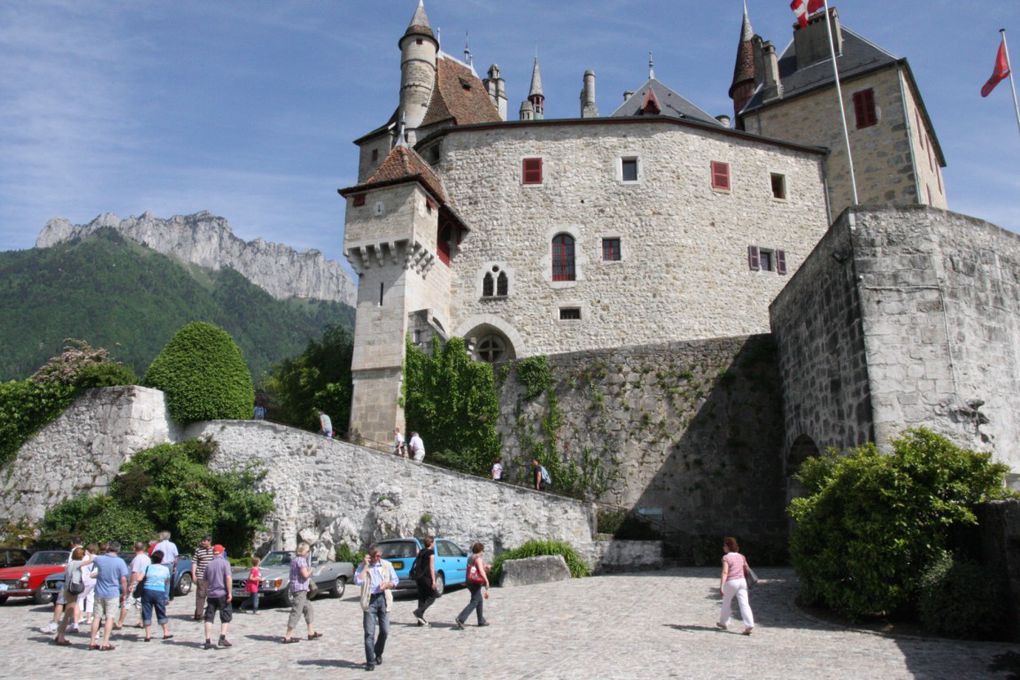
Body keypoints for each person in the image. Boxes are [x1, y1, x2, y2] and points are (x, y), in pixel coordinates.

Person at [354, 546, 399, 671]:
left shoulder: (386, 565)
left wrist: (387, 584)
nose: (377, 558)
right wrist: (365, 566)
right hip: (370, 601)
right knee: (369, 633)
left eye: (379, 556)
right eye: (374, 556)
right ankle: (370, 661)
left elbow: (395, 580)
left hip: (383, 599)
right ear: (370, 556)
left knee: (385, 631)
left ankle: (377, 652)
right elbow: (357, 581)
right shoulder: (362, 566)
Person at [89, 541, 129, 651]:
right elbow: (123, 579)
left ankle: (92, 641)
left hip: (99, 592)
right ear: (118, 550)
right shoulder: (120, 562)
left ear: (108, 548)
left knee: (96, 617)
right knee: (110, 618)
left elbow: (91, 557)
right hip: (112, 592)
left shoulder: (100, 559)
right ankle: (105, 642)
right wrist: (125, 593)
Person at [283, 543, 321, 643]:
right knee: (296, 611)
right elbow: (305, 575)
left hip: (299, 589)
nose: (308, 553)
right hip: (300, 589)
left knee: (308, 609)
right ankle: (288, 636)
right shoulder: (301, 561)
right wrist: (311, 570)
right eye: (308, 551)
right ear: (304, 551)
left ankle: (311, 633)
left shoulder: (295, 559)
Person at [717, 536, 754, 635]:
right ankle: (749, 624)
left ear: (728, 547)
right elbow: (746, 568)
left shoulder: (726, 557)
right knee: (744, 604)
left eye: (724, 545)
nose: (723, 547)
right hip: (742, 581)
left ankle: (723, 622)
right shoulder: (741, 556)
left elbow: (725, 572)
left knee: (726, 602)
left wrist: (721, 586)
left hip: (731, 582)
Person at [44, 536, 82, 634]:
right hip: (80, 582)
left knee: (60, 602)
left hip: (70, 582)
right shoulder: (85, 552)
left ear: (72, 542)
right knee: (75, 603)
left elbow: (69, 567)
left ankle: (55, 623)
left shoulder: (74, 552)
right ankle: (75, 623)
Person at [53, 546, 86, 646]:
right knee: (68, 614)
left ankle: (60, 635)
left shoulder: (70, 563)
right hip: (72, 591)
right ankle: (61, 637)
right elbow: (91, 561)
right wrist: (90, 554)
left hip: (67, 589)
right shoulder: (76, 563)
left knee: (68, 613)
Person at [202, 544, 233, 649]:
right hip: (222, 593)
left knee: (209, 617)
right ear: (221, 552)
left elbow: (205, 580)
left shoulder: (209, 564)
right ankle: (222, 638)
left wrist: (207, 591)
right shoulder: (225, 563)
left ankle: (207, 640)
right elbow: (228, 578)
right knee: (225, 616)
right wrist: (229, 592)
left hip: (211, 594)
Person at [454, 542, 490, 629]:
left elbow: (475, 569)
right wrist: (487, 581)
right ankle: (461, 618)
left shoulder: (470, 557)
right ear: (480, 550)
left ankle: (481, 620)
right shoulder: (478, 558)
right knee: (475, 601)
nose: (483, 552)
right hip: (475, 582)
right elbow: (481, 571)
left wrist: (486, 567)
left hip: (469, 581)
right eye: (482, 550)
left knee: (479, 600)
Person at [140, 549, 173, 641]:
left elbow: (139, 578)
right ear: (161, 559)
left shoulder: (147, 567)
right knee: (161, 611)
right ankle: (166, 632)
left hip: (147, 591)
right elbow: (167, 581)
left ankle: (148, 635)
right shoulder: (165, 569)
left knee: (146, 612)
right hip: (159, 591)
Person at [118, 541, 151, 629]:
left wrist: (131, 584)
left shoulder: (137, 559)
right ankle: (142, 622)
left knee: (127, 603)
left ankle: (120, 622)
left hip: (137, 582)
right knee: (140, 603)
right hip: (144, 582)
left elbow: (134, 573)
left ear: (134, 548)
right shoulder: (147, 558)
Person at [411, 537, 438, 626]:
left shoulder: (421, 551)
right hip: (426, 577)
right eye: (433, 543)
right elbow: (431, 567)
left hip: (418, 577)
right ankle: (418, 612)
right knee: (432, 596)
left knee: (422, 597)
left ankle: (420, 621)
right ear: (431, 543)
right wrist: (434, 581)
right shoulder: (431, 553)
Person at [191, 534, 215, 620]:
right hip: (201, 576)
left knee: (211, 596)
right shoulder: (198, 550)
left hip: (212, 577)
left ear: (209, 541)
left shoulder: (214, 550)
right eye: (202, 540)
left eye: (204, 541)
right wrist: (193, 574)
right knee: (201, 595)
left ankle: (209, 613)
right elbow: (194, 563)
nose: (202, 542)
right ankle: (198, 614)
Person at [76, 543, 99, 628]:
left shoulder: (85, 557)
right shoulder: (97, 558)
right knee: (90, 598)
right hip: (93, 579)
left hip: (85, 578)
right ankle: (89, 618)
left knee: (80, 597)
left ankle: (80, 616)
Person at [153, 531, 179, 601]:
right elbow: (176, 557)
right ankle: (165, 598)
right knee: (167, 582)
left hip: (160, 564)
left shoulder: (158, 545)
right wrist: (175, 566)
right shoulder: (173, 545)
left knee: (159, 580)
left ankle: (159, 596)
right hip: (169, 564)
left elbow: (154, 554)